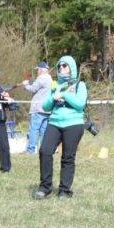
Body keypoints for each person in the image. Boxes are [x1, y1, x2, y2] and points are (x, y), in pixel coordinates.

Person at [32, 56, 87, 200]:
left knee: (68, 157)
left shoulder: (79, 85)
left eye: (64, 65)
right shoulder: (54, 85)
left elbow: (80, 104)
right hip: (54, 123)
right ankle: (45, 188)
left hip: (73, 123)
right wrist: (53, 98)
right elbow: (45, 106)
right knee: (45, 151)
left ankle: (64, 190)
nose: (61, 68)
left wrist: (64, 95)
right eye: (59, 66)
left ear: (71, 68)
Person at [23, 62, 53, 155]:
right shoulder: (50, 78)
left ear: (40, 70)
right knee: (43, 132)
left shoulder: (41, 78)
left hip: (38, 108)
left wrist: (26, 85)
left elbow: (33, 89)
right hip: (47, 109)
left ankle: (30, 150)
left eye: (37, 70)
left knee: (33, 130)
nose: (37, 72)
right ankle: (43, 150)